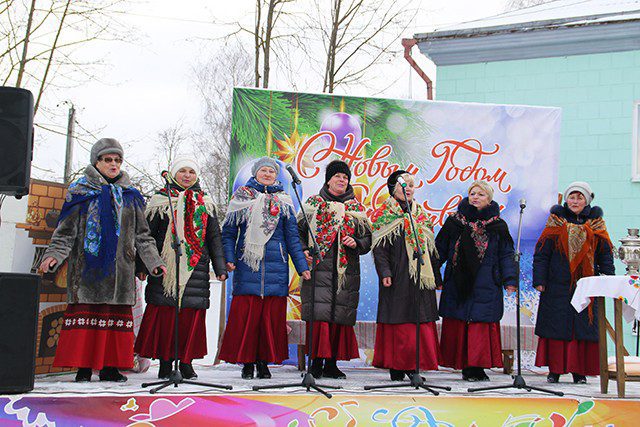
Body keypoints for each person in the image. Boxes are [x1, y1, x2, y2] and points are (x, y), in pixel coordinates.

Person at [39, 138, 165, 382]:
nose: (113, 164)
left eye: (117, 160)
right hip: (88, 271)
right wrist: (54, 255)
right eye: (108, 159)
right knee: (88, 318)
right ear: (96, 162)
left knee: (114, 322)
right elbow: (65, 232)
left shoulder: (131, 196)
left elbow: (142, 235)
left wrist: (154, 261)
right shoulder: (80, 193)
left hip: (121, 272)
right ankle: (84, 368)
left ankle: (110, 368)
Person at [134, 156, 227, 380]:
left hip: (196, 267)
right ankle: (165, 363)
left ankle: (186, 362)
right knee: (166, 316)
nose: (187, 175)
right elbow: (147, 237)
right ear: (174, 174)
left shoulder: (206, 203)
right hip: (165, 268)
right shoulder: (160, 200)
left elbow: (214, 237)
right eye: (182, 171)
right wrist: (143, 266)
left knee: (189, 316)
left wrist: (220, 267)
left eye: (191, 172)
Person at [219, 157, 311, 379]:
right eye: (264, 171)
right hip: (247, 265)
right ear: (255, 173)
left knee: (270, 319)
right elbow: (229, 233)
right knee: (247, 318)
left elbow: (292, 238)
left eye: (272, 171)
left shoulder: (284, 200)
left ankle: (263, 363)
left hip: (276, 267)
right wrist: (229, 258)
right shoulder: (242, 197)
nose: (268, 174)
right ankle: (247, 363)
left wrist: (301, 266)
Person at [533, 182, 615, 384]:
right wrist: (540, 280)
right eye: (572, 197)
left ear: (587, 200)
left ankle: (579, 372)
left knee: (582, 327)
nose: (575, 201)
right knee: (556, 327)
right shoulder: (555, 222)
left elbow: (605, 254)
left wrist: (608, 279)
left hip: (586, 285)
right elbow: (542, 254)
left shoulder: (597, 224)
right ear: (566, 199)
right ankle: (555, 371)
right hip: (556, 284)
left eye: (580, 197)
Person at [435, 180, 517, 381]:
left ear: (489, 199)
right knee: (460, 322)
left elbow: (506, 254)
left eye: (481, 194)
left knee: (480, 324)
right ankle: (463, 365)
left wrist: (510, 279)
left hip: (486, 282)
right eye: (472, 193)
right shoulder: (454, 222)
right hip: (458, 281)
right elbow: (439, 250)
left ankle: (477, 367)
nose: (475, 197)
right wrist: (434, 274)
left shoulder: (498, 226)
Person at [298, 159, 372, 379]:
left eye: (345, 177)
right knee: (319, 317)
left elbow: (368, 239)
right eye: (337, 176)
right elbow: (298, 232)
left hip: (345, 272)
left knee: (338, 317)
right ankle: (315, 363)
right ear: (328, 180)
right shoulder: (314, 204)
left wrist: (356, 243)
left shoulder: (355, 208)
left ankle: (331, 364)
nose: (342, 180)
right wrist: (304, 249)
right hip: (318, 269)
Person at [370, 171, 442, 381]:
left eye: (411, 185)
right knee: (399, 322)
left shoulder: (421, 215)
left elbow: (431, 250)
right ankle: (397, 366)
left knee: (418, 321)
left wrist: (436, 277)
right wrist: (385, 272)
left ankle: (414, 366)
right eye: (404, 185)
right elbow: (379, 249)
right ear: (393, 189)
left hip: (420, 277)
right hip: (397, 276)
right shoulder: (385, 214)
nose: (408, 189)